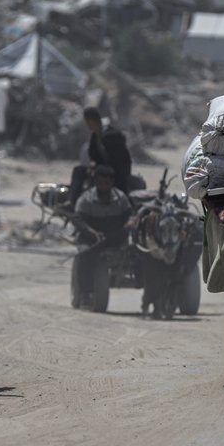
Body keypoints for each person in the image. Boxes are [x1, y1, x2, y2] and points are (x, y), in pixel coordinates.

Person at [72, 164, 134, 310]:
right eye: (100, 183)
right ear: (95, 182)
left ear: (112, 183)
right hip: (90, 240)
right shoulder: (86, 199)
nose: (103, 187)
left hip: (115, 240)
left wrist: (131, 223)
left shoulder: (121, 198)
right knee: (84, 256)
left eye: (107, 183)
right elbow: (78, 220)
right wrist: (92, 232)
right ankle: (84, 293)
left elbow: (130, 216)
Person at [69, 106, 133, 202]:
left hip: (116, 172)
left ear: (90, 120)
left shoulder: (111, 135)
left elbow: (119, 160)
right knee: (79, 170)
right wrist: (92, 165)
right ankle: (73, 201)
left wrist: (100, 168)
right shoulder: (95, 136)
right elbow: (94, 156)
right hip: (101, 168)